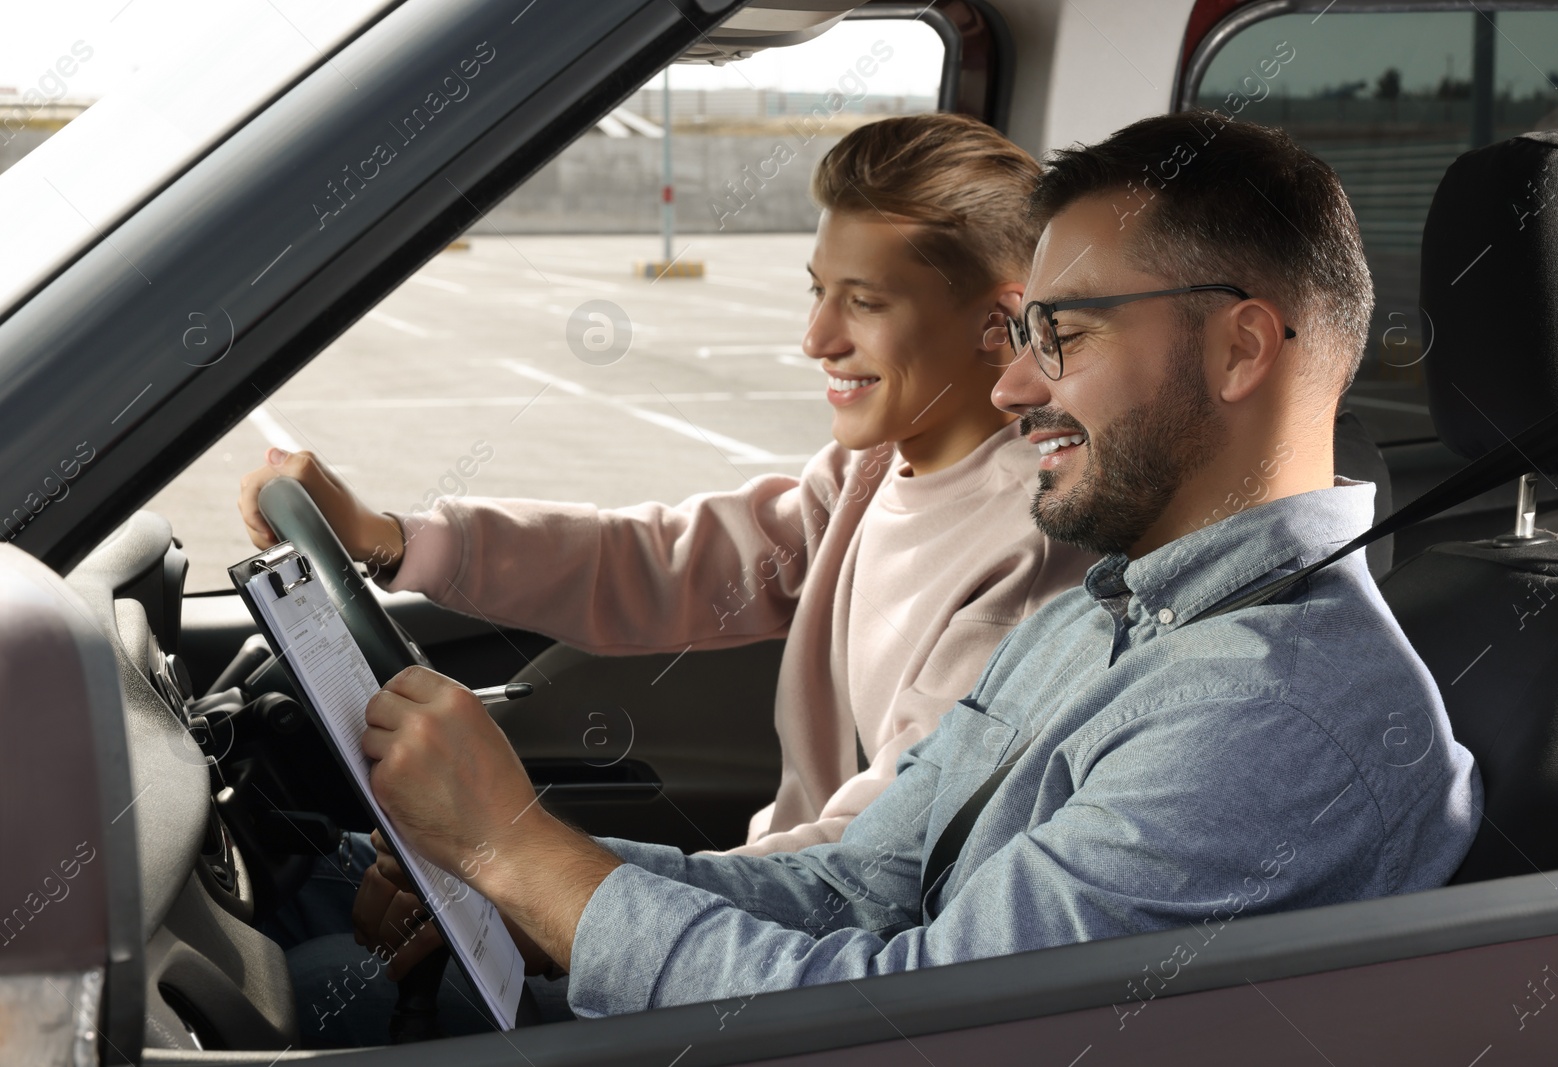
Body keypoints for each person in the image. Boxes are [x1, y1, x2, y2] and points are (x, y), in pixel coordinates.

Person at [339, 112, 1481, 1026]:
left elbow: (920, 1018)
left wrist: (516, 852)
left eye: (1062, 338)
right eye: (1021, 335)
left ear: (1238, 347)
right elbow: (854, 889)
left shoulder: (1271, 714)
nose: (1014, 387)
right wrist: (500, 883)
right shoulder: (1110, 613)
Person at [240, 113, 1092, 861]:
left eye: (863, 302)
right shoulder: (863, 475)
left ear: (1001, 323)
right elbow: (656, 562)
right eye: (816, 291)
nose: (814, 338)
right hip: (774, 897)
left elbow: (882, 855)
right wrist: (394, 536)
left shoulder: (1032, 548)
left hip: (818, 957)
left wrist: (534, 874)